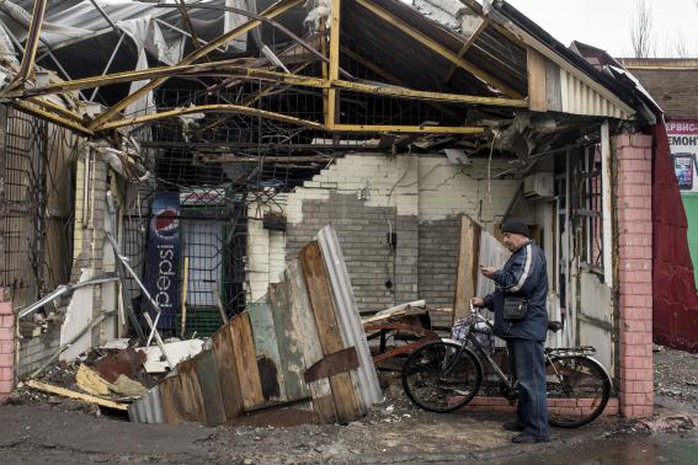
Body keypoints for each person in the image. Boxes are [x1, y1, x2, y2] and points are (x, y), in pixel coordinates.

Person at [471, 218, 549, 444]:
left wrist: (495, 274)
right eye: (504, 236)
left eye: (507, 236)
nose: (505, 240)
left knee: (531, 381)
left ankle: (537, 431)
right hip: (518, 326)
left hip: (527, 327)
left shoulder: (530, 254)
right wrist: (485, 302)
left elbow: (518, 285)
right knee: (521, 379)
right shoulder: (519, 256)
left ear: (520, 234)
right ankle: (524, 421)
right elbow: (508, 294)